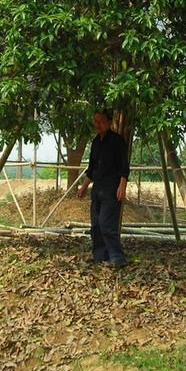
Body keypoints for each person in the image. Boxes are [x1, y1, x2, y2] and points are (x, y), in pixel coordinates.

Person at [76, 108, 130, 268]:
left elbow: (124, 166)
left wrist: (122, 186)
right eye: (95, 121)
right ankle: (99, 256)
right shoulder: (95, 142)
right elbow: (91, 168)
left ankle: (117, 258)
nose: (97, 125)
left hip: (112, 189)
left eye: (100, 121)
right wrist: (84, 186)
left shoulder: (117, 141)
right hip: (97, 190)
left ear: (109, 122)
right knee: (95, 225)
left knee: (107, 224)